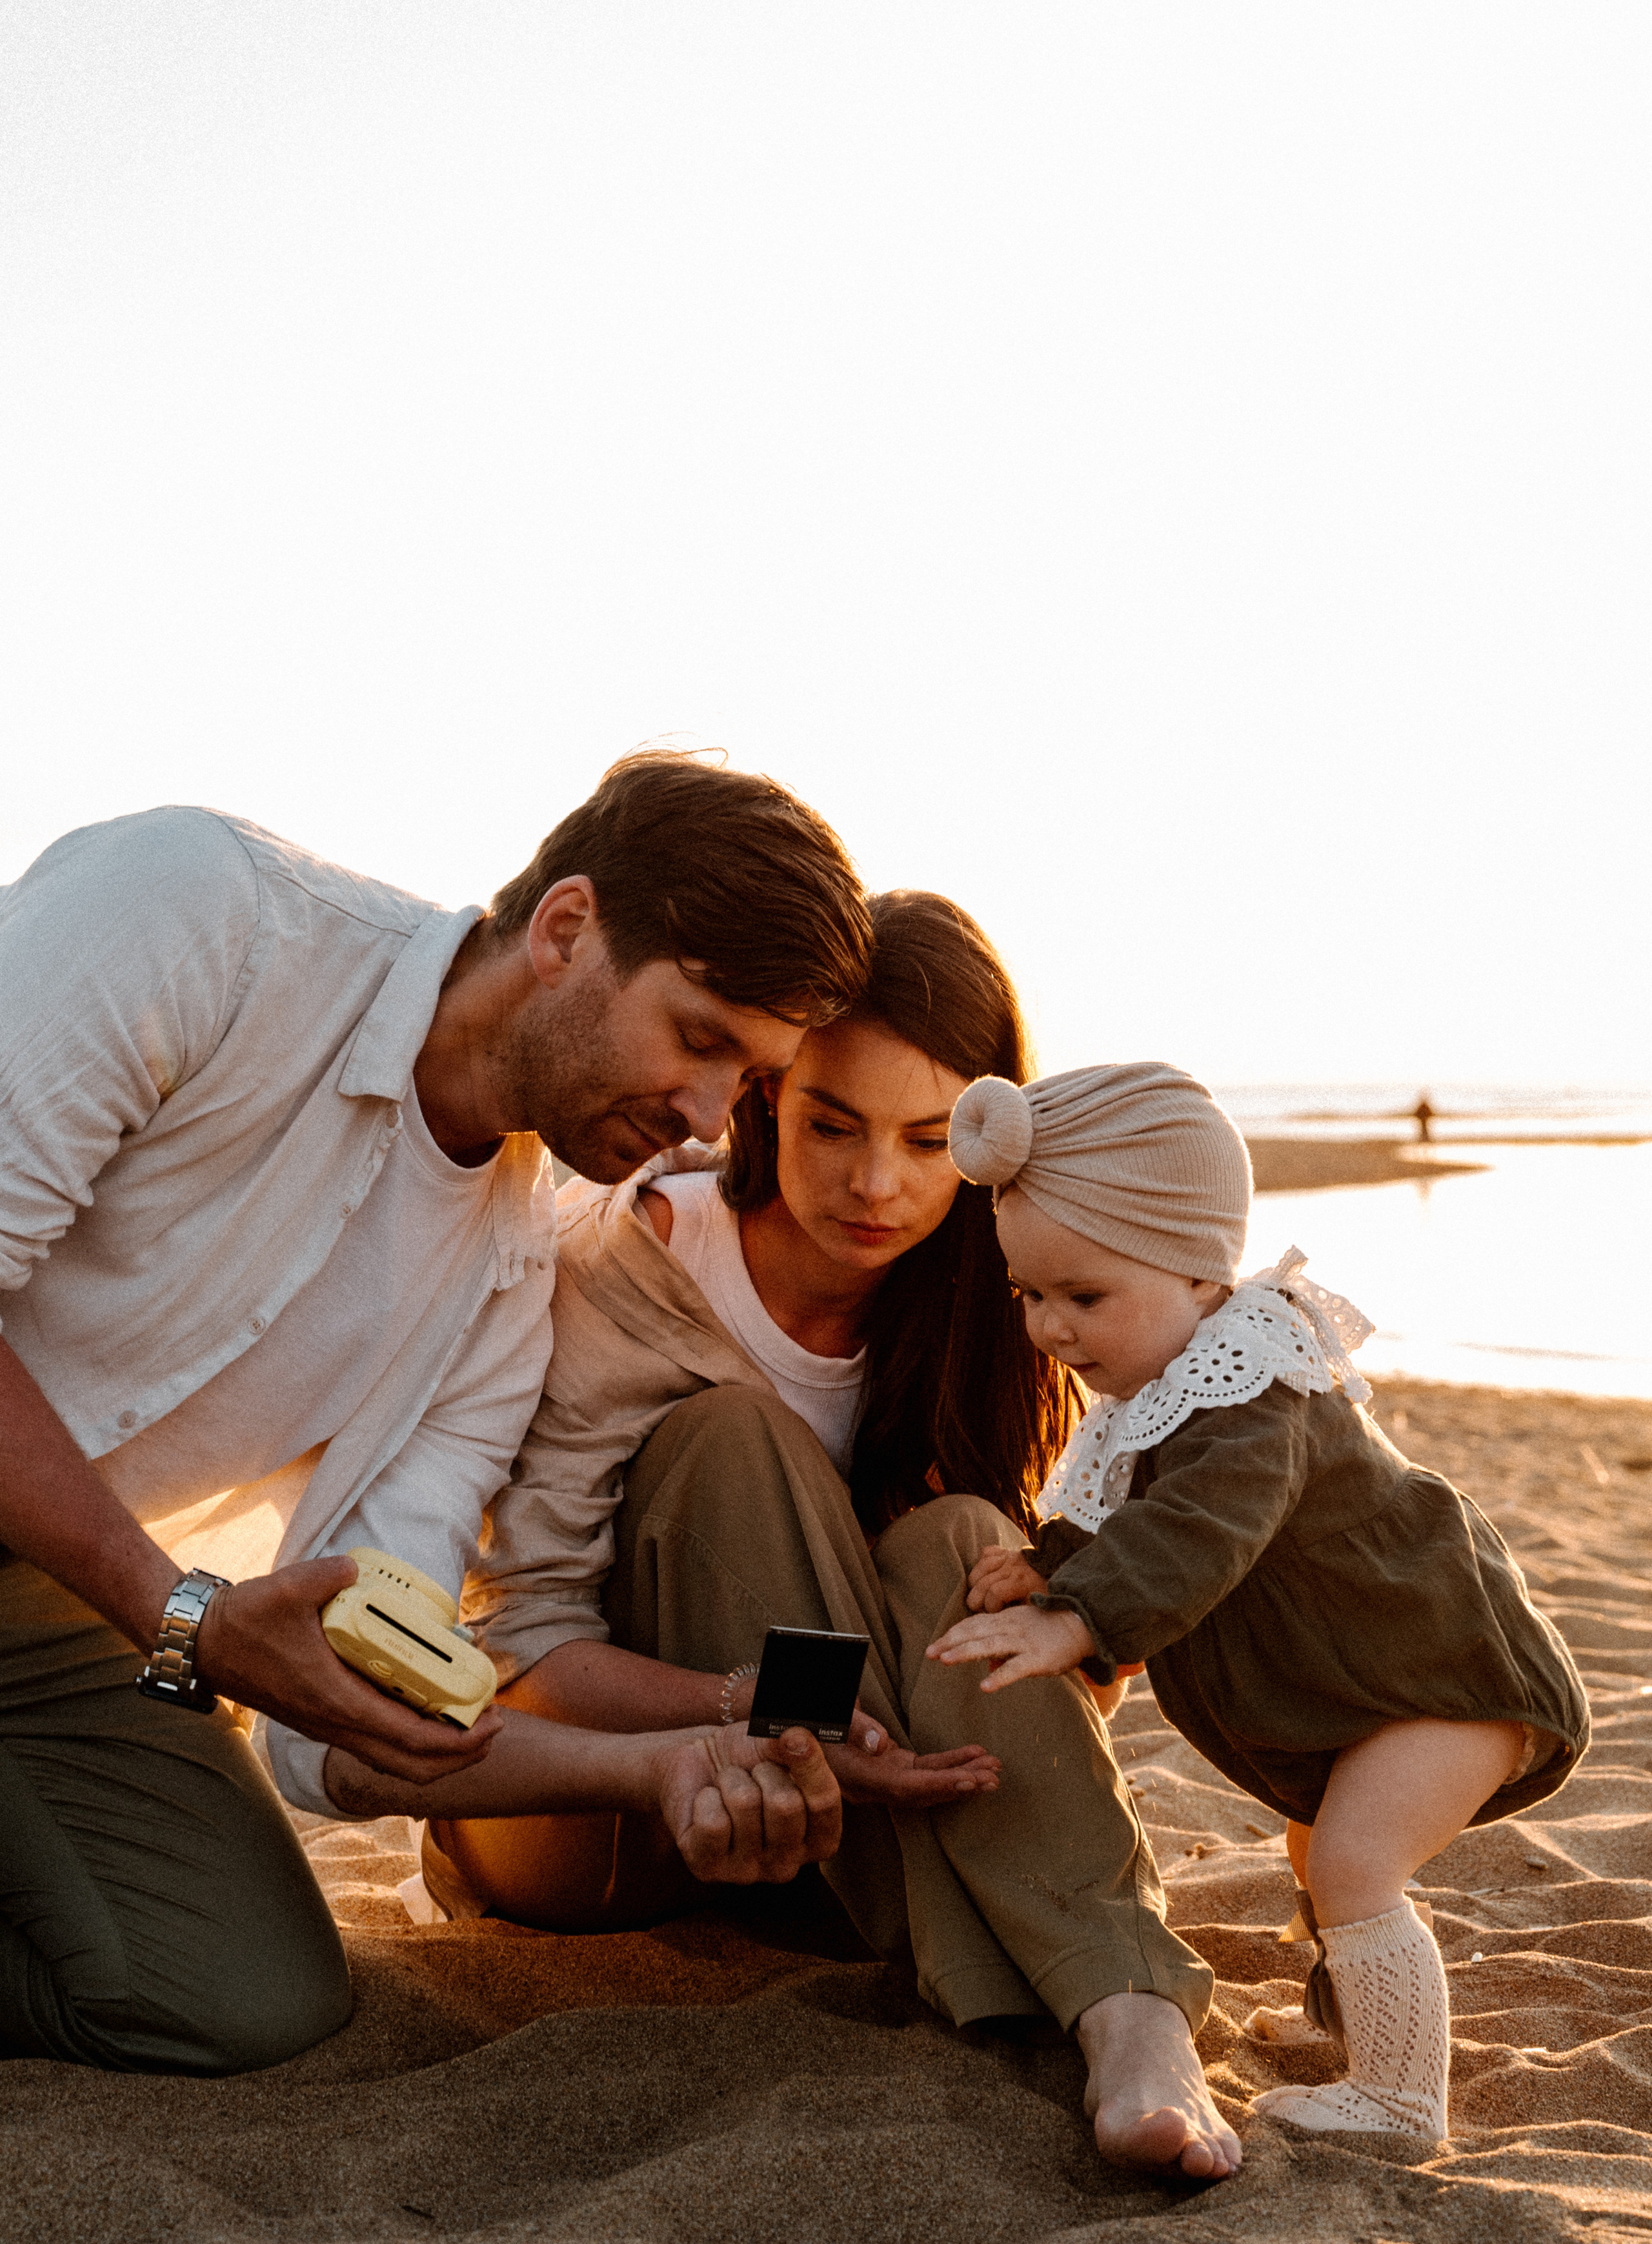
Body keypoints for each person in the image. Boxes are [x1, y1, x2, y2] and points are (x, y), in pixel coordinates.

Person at [0, 752, 872, 2074]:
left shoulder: (507, 1285)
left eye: (744, 1081)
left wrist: (659, 1764)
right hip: (109, 1578)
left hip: (38, 1590)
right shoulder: (202, 912)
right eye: (699, 1038)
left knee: (242, 1994)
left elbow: (345, 1710)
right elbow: (186, 1616)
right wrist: (179, 1611)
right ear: (566, 931)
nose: (704, 1118)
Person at [442, 894, 1244, 2181]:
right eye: (831, 1122)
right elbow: (525, 1645)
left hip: (823, 1845)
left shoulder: (989, 1307)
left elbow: (1037, 1645)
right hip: (595, 1813)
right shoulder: (637, 1260)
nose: (876, 1183)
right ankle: (1061, 1962)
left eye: (928, 1140)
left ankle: (1129, 2010)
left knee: (966, 1537)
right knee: (730, 1442)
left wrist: (1080, 1625)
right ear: (761, 1093)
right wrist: (742, 1707)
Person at [929, 1062, 1591, 2145]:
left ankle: (1400, 2096)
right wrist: (1055, 1558)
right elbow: (1137, 1498)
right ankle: (1360, 2027)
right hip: (1374, 1681)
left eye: (1084, 1296)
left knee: (1352, 1861)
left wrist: (1077, 1615)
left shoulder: (1254, 1387)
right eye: (1031, 1296)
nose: (1052, 1327)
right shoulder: (1170, 1389)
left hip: (1449, 1676)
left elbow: (1202, 1521)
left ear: (1199, 1276)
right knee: (1316, 1853)